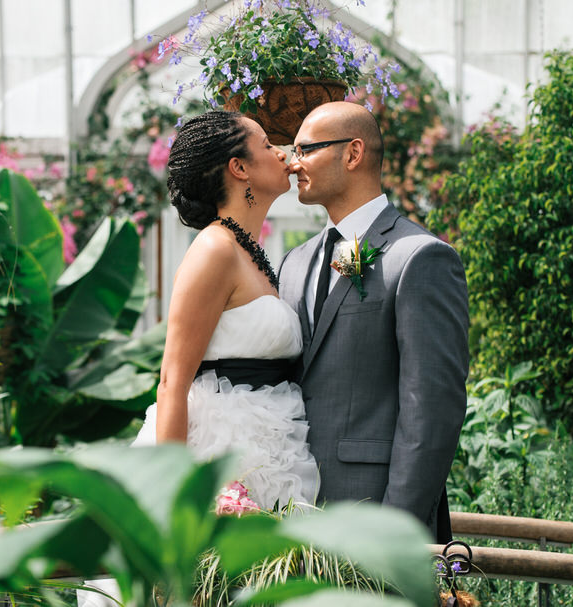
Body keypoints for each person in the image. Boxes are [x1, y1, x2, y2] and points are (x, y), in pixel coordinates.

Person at [78, 111, 319, 607]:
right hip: (217, 448)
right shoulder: (213, 249)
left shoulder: (252, 251)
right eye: (266, 144)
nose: (282, 152)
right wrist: (178, 498)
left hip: (272, 444)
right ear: (239, 168)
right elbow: (171, 381)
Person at [277, 101, 469, 543]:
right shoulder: (295, 261)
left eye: (305, 149)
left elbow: (432, 409)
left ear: (352, 153)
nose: (292, 163)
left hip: (373, 516)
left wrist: (395, 533)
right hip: (291, 516)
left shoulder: (419, 257)